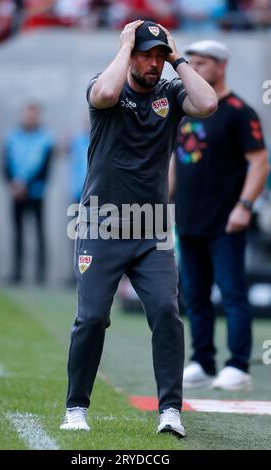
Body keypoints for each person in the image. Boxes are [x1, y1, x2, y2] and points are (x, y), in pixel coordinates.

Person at [60, 20, 217, 436]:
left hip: (152, 228)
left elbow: (208, 104)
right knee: (92, 318)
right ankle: (76, 407)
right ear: (129, 54)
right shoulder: (105, 86)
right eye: (145, 55)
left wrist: (177, 57)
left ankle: (170, 410)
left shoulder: (171, 92)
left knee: (167, 311)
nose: (152, 63)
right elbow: (107, 93)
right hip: (100, 222)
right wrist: (127, 43)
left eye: (157, 56)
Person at [169, 40, 269, 390]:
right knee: (194, 294)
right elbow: (175, 162)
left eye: (201, 63)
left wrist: (244, 207)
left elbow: (260, 162)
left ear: (220, 66)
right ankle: (202, 360)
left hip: (227, 221)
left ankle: (238, 366)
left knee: (231, 291)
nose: (192, 68)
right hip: (189, 219)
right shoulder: (186, 109)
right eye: (190, 61)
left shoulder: (240, 111)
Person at [3, 102, 54, 283]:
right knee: (18, 233)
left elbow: (45, 168)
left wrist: (26, 184)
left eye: (33, 114)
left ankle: (40, 274)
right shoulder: (12, 137)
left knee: (39, 232)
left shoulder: (46, 138)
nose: (30, 117)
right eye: (27, 114)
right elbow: (5, 164)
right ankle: (17, 272)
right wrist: (13, 184)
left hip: (35, 193)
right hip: (16, 193)